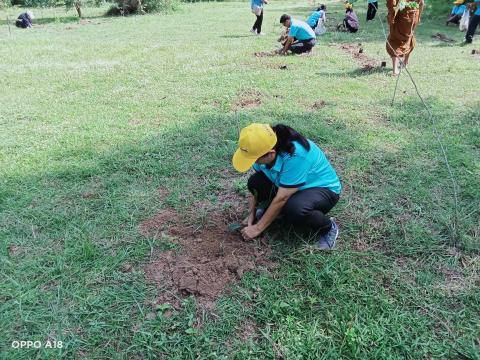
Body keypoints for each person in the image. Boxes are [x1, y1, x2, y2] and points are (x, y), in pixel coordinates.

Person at [232, 123, 341, 250]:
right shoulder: (263, 146)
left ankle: (328, 227)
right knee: (255, 182)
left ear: (270, 154)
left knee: (295, 209)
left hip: (322, 190)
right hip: (289, 186)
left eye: (254, 160)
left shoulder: (296, 156)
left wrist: (257, 228)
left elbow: (282, 198)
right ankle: (273, 212)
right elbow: (255, 190)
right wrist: (252, 212)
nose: (254, 163)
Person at [386, 0, 424, 76]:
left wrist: (391, 15)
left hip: (400, 16)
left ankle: (395, 69)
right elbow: (422, 2)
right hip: (413, 15)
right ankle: (405, 62)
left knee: (395, 39)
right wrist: (419, 16)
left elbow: (392, 3)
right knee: (408, 37)